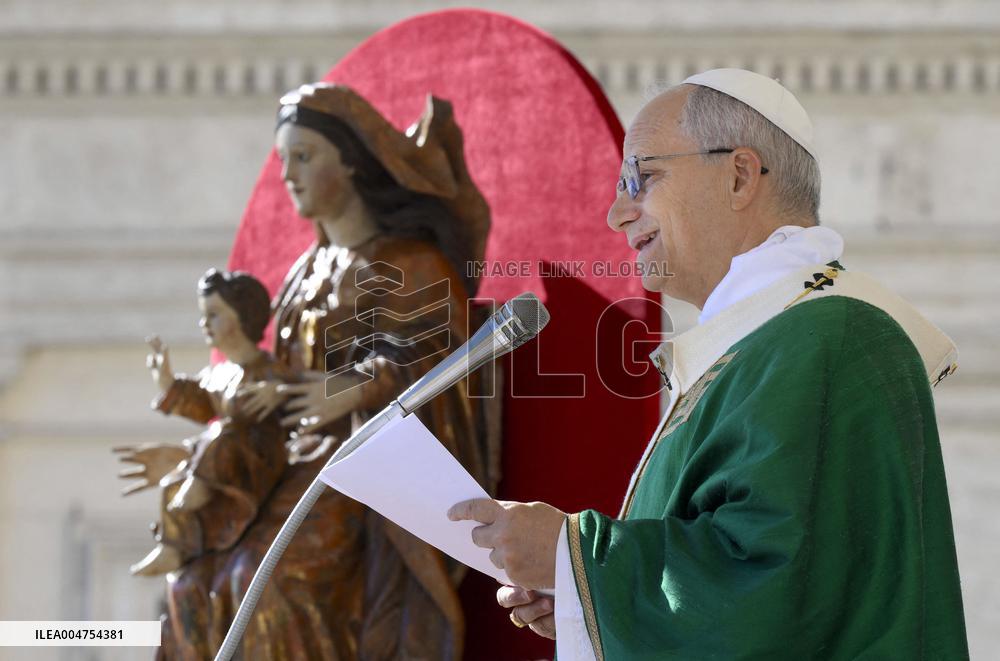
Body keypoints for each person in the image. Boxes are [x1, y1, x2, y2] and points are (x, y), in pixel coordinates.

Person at [449, 68, 968, 660]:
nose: (617, 214)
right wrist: (590, 599)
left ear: (740, 176)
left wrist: (576, 554)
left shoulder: (831, 336)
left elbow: (774, 587)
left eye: (641, 177)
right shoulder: (764, 341)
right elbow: (727, 567)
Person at [156, 83, 497, 660]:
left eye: (304, 156)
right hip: (284, 464)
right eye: (283, 159)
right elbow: (283, 370)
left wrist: (358, 387)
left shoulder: (411, 263)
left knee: (269, 584)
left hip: (364, 475)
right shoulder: (303, 273)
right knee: (193, 585)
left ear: (353, 162)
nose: (288, 174)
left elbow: (442, 362)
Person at [118, 269, 294, 577]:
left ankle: (199, 485)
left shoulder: (266, 368)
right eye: (203, 315)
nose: (204, 324)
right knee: (173, 484)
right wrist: (168, 383)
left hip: (259, 463)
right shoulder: (220, 373)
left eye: (213, 315)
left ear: (242, 317)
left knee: (224, 432)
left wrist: (279, 392)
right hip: (222, 463)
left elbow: (294, 390)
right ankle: (172, 547)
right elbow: (201, 401)